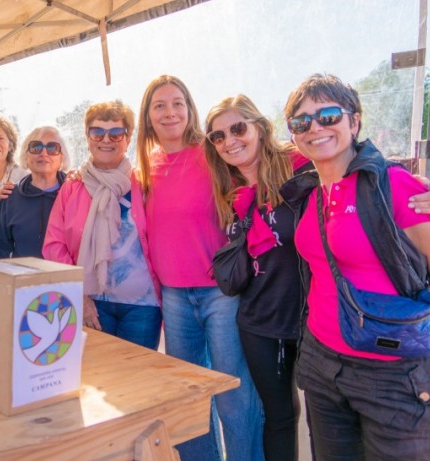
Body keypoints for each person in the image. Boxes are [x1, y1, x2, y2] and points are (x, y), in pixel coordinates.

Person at [280, 73, 430, 461]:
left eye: (328, 115)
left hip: (393, 374)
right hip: (322, 362)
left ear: (355, 121)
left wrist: (408, 319)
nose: (315, 127)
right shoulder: (312, 192)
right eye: (302, 121)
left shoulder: (396, 186)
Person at [135, 75, 263, 461]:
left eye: (177, 103)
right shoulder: (143, 167)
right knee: (187, 401)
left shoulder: (212, 153)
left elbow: (270, 157)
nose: (169, 112)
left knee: (232, 396)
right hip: (173, 297)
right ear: (149, 116)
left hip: (220, 293)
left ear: (189, 109)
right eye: (159, 105)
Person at [203, 94, 312, 461]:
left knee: (325, 419)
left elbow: (355, 165)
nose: (229, 140)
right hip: (260, 323)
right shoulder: (231, 193)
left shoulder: (302, 170)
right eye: (218, 136)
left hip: (314, 320)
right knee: (279, 416)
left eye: (237, 128)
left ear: (260, 128)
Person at [43, 101, 161, 350]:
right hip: (92, 302)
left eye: (116, 133)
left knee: (137, 380)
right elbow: (54, 246)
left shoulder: (146, 183)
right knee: (95, 380)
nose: (106, 139)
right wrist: (80, 294)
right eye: (97, 132)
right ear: (87, 137)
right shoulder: (73, 186)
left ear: (128, 139)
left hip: (142, 306)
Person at [0, 126, 69, 259]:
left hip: (66, 277)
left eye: (52, 148)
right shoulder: (9, 197)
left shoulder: (74, 195)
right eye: (36, 147)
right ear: (26, 156)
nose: (44, 153)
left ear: (62, 158)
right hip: (23, 277)